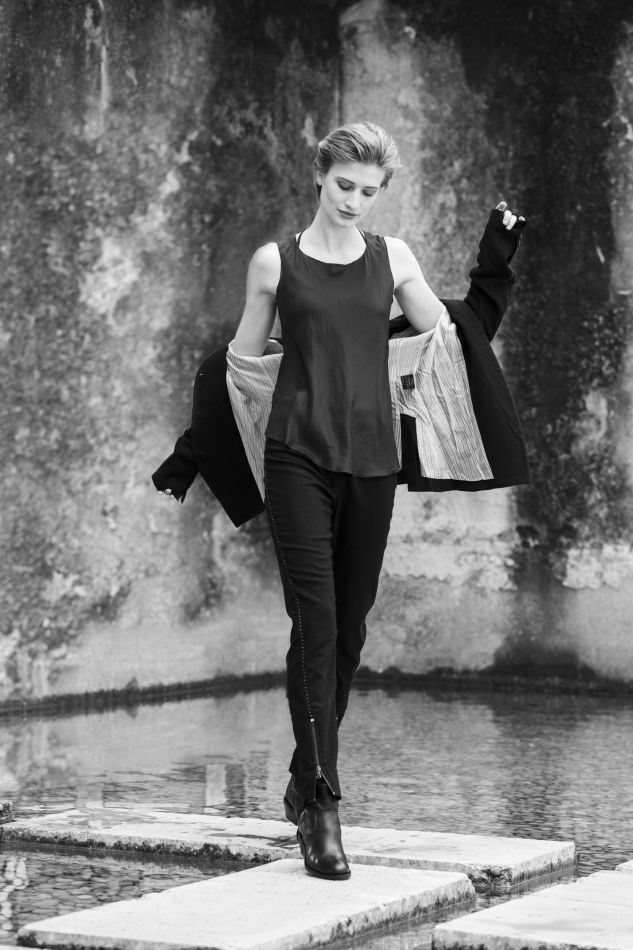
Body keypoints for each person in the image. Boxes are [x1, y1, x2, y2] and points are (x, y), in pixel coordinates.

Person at [157, 121, 526, 882]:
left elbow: (452, 338)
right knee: (315, 621)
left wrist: (494, 262)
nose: (354, 201)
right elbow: (241, 367)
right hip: (295, 455)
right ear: (320, 178)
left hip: (372, 463)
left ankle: (302, 777)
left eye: (368, 191)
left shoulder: (394, 258)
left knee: (349, 629)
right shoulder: (275, 262)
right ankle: (322, 806)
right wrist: (196, 446)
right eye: (344, 186)